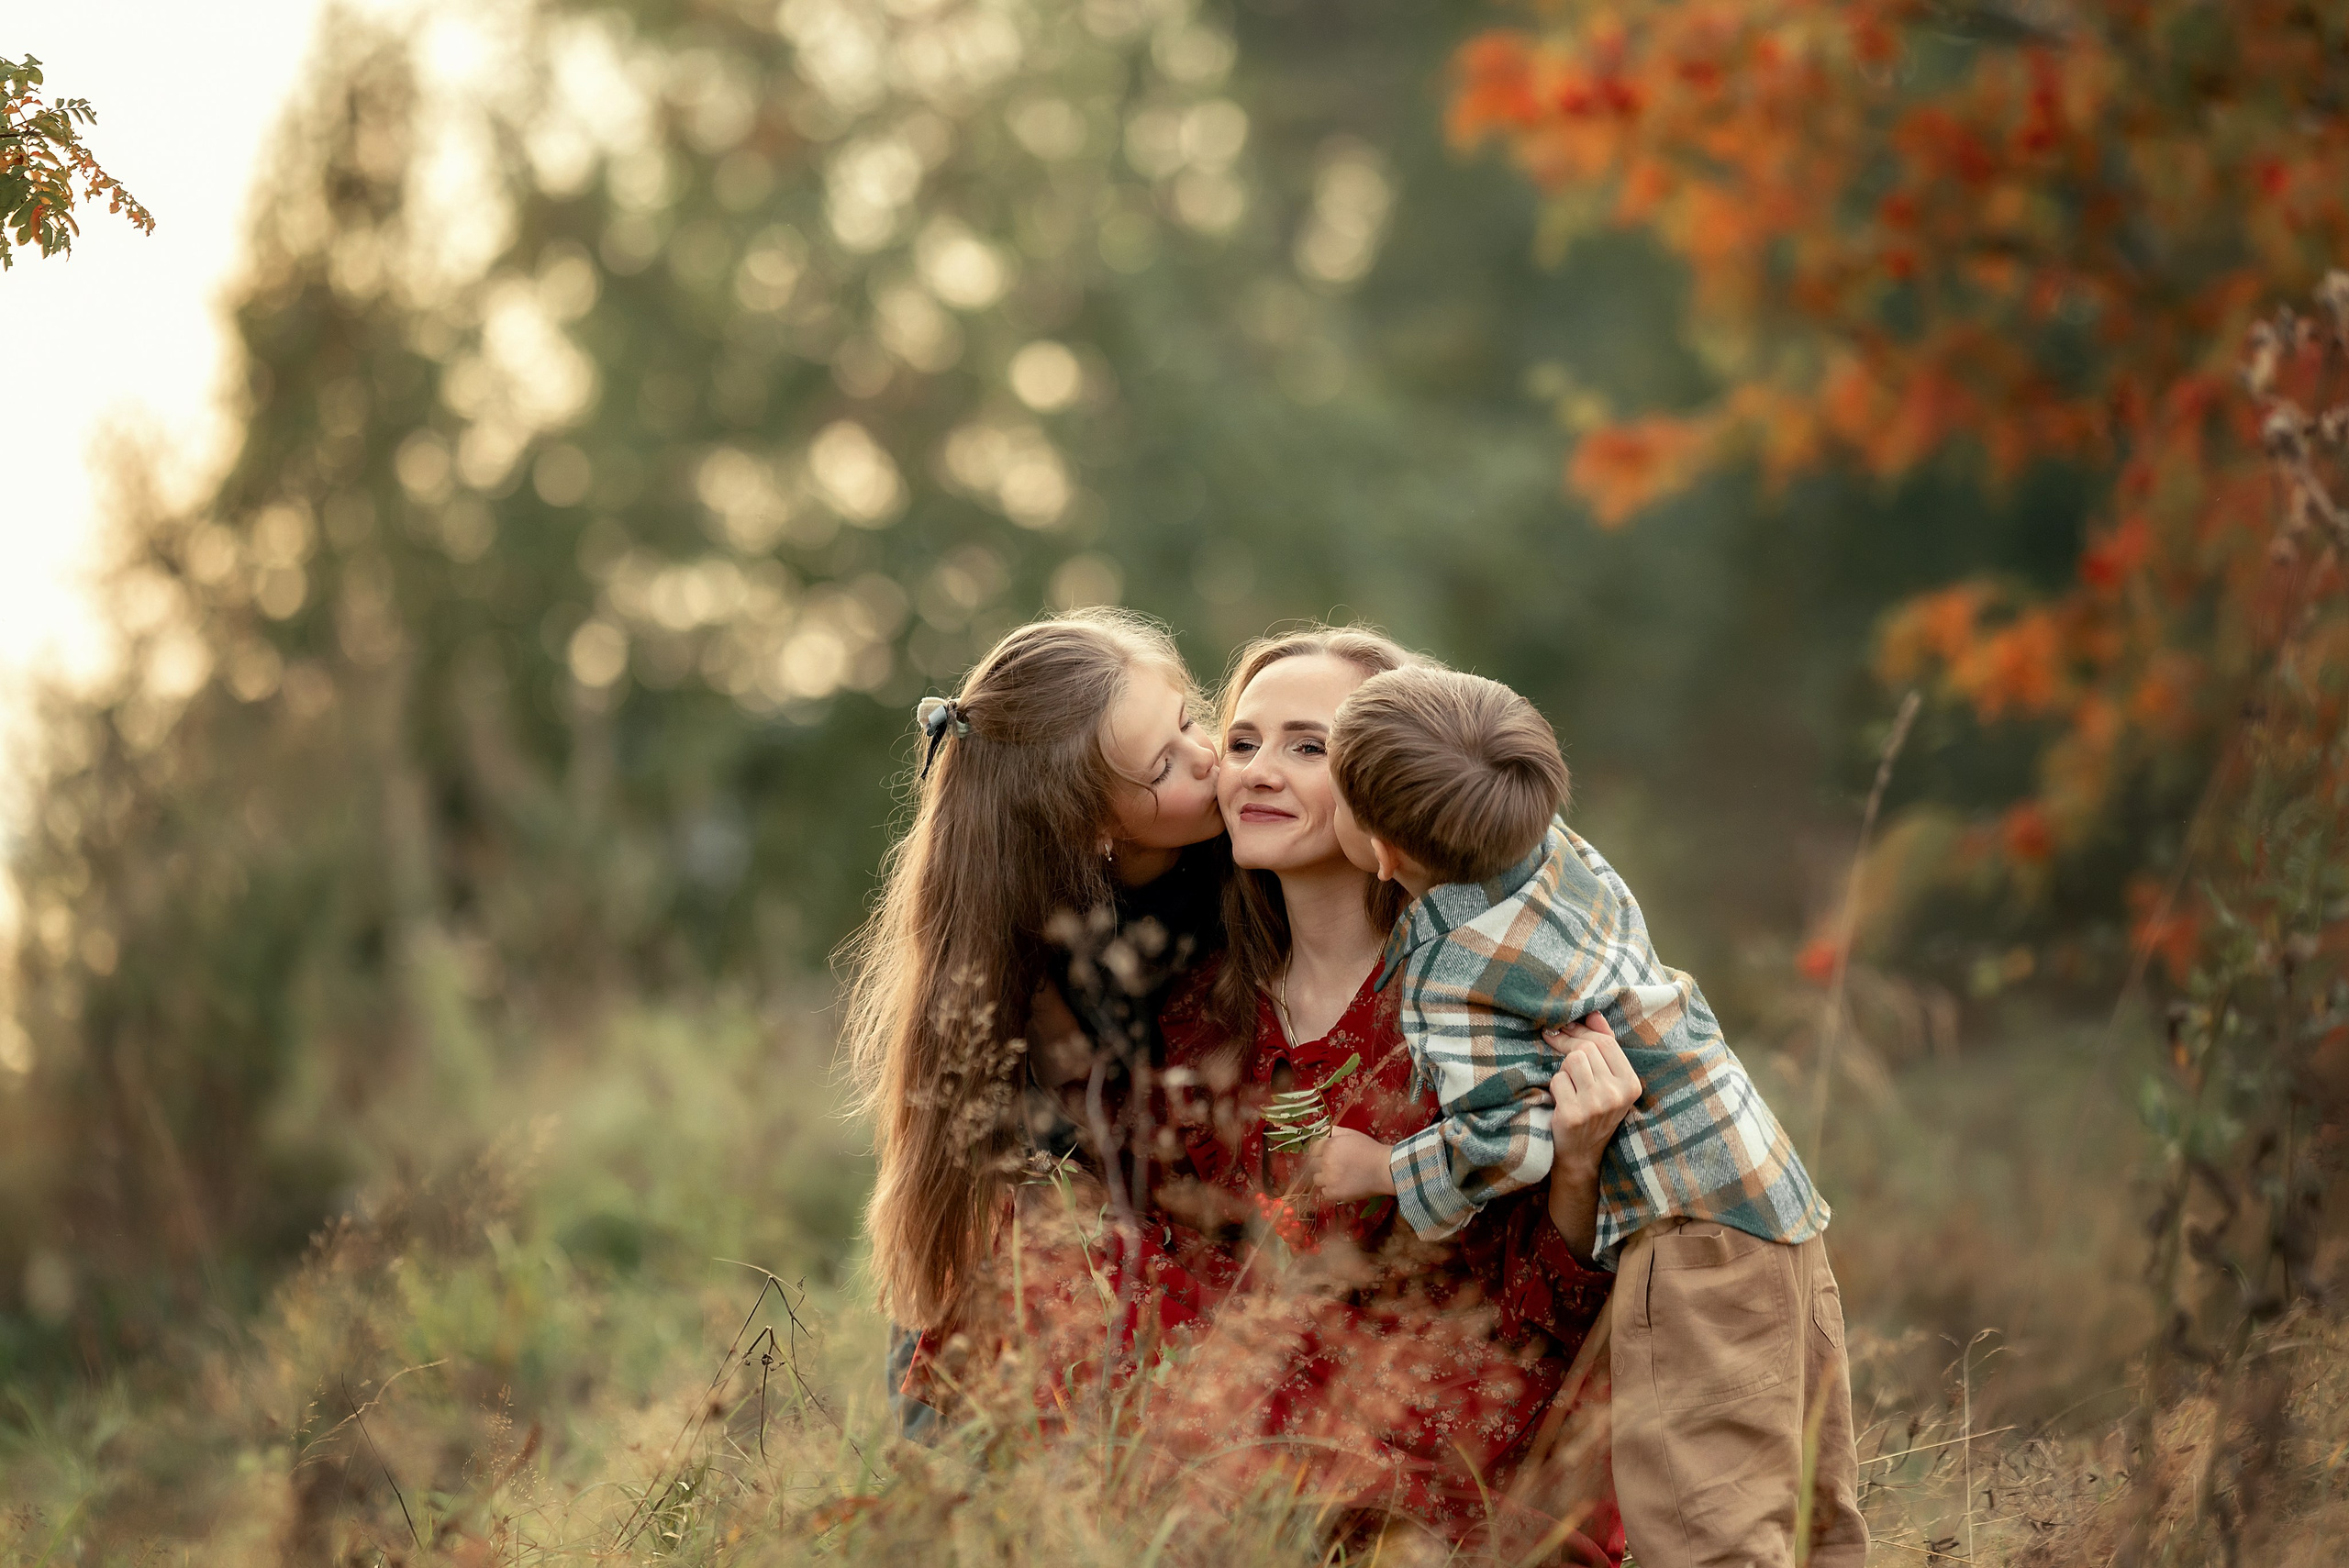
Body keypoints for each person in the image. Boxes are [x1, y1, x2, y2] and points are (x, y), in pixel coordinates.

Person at [1308, 662, 1867, 1568]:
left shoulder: (1451, 971)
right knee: (1813, 1508)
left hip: (1682, 1233)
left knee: (1703, 1520)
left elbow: (1513, 1138)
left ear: (1381, 852)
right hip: (1769, 1196)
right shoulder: (1552, 852)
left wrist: (1379, 1167)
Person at [1145, 626, 1632, 1557]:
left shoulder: (1482, 997)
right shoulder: (1199, 1017)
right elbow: (1192, 1277)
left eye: (1307, 745)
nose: (1257, 770)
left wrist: (1574, 1166)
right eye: (1241, 742)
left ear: (1394, 782)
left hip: (1471, 1461)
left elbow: (1542, 1320)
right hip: (1255, 1474)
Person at [841, 607, 1227, 1436]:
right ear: (1091, 828)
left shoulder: (1249, 853)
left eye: (1193, 720)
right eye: (1166, 763)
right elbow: (1010, 1224)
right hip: (1059, 1272)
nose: (1210, 757)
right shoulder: (1018, 949)